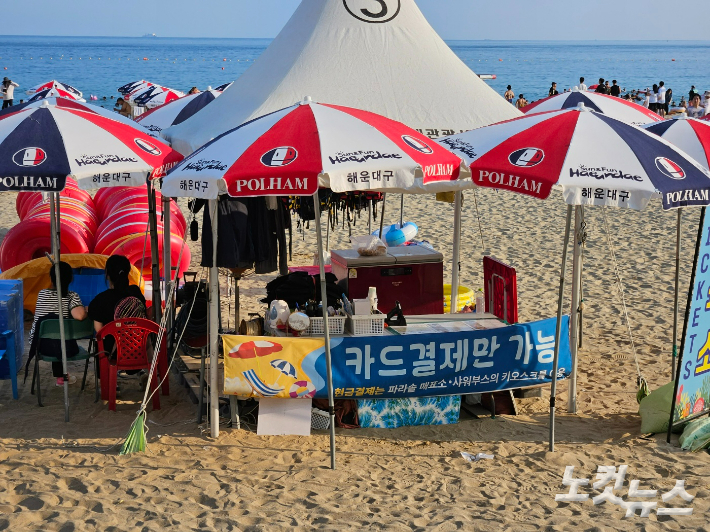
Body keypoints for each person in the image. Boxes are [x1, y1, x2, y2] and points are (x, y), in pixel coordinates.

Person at [28, 262, 88, 387]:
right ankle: (61, 377)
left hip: (40, 346)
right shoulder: (72, 296)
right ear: (71, 279)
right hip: (65, 349)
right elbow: (80, 316)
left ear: (51, 278)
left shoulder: (41, 294)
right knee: (59, 335)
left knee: (54, 333)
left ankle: (60, 377)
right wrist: (85, 309)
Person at [88, 255, 146, 334]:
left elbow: (99, 331)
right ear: (128, 272)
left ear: (107, 275)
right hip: (138, 344)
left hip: (112, 345)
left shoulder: (100, 300)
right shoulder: (136, 292)